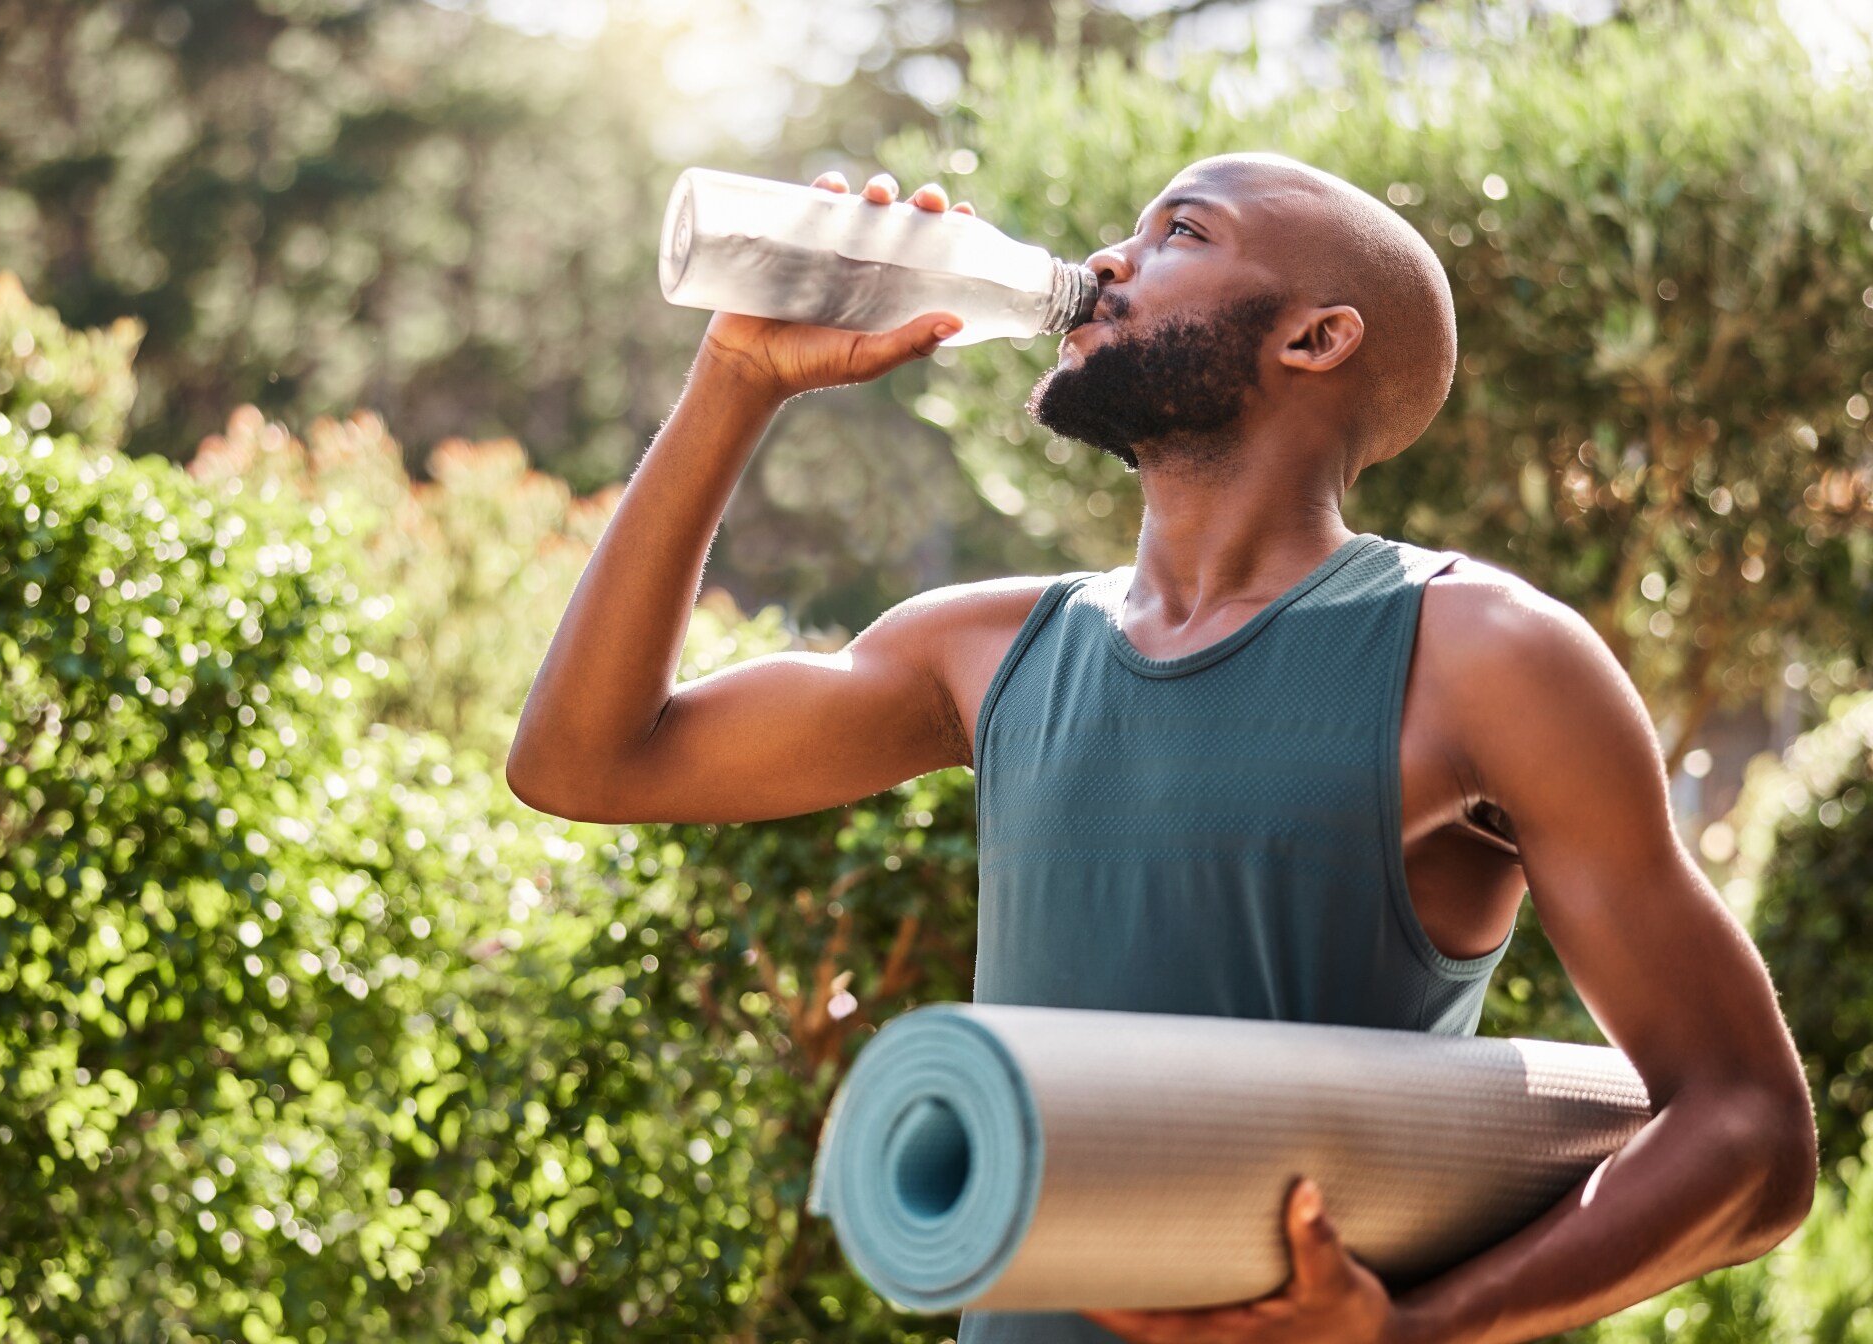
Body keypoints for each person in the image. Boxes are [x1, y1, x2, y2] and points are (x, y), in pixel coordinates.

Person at [506, 153, 1815, 1344]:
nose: (1111, 262)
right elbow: (587, 762)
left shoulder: (1483, 655)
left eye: (1180, 231)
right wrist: (738, 380)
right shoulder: (980, 648)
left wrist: (1413, 1334)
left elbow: (1750, 1134)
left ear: (1316, 336)